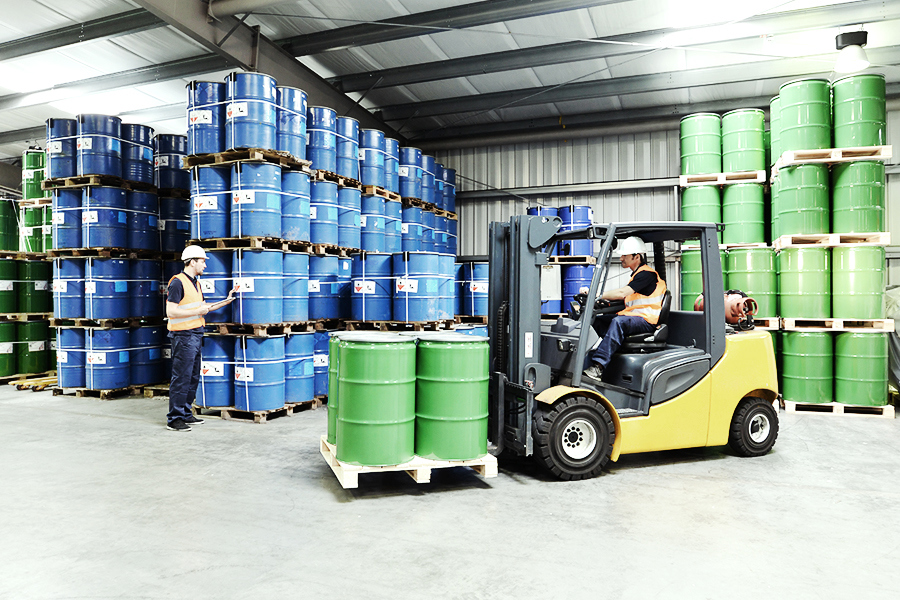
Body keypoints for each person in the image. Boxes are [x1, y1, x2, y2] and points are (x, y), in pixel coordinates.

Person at [165, 245, 236, 431]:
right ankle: (174, 418)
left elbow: (202, 307)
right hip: (183, 335)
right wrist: (198, 310)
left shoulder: (195, 283)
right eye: (203, 261)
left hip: (195, 334)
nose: (205, 265)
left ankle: (186, 413)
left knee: (193, 376)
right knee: (181, 377)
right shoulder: (177, 282)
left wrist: (227, 300)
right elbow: (171, 311)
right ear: (192, 261)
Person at [582, 236, 667, 381]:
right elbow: (626, 299)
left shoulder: (647, 275)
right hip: (635, 319)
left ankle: (598, 367)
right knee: (598, 321)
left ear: (636, 257)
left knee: (618, 322)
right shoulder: (637, 275)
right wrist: (604, 302)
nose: (621, 258)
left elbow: (622, 293)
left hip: (646, 321)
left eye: (624, 255)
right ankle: (590, 356)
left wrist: (597, 295)